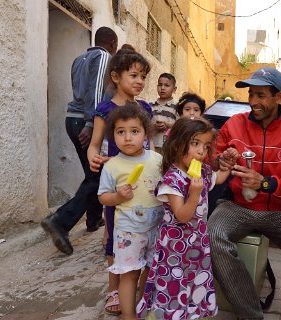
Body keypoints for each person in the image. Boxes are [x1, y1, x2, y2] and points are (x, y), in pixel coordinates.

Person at [207, 67, 281, 319]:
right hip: (237, 206)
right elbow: (210, 161)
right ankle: (250, 313)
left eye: (260, 95)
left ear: (278, 97)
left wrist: (265, 183)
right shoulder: (234, 124)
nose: (253, 101)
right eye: (251, 94)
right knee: (213, 235)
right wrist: (220, 161)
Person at [137, 117, 239, 319]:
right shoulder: (172, 180)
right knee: (174, 284)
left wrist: (226, 166)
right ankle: (168, 314)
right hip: (175, 246)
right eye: (195, 144)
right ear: (177, 145)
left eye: (206, 145)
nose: (201, 151)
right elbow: (182, 215)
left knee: (193, 280)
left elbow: (217, 179)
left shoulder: (201, 170)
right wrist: (194, 194)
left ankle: (191, 312)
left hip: (196, 243)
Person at [87, 44, 154, 315]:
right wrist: (94, 157)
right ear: (116, 77)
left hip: (143, 185)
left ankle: (140, 290)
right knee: (115, 235)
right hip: (117, 182)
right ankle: (114, 288)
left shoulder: (146, 108)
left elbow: (150, 147)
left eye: (142, 77)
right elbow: (94, 144)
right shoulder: (104, 109)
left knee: (144, 235)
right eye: (133, 75)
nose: (139, 82)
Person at [41, 26, 118, 255]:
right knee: (96, 175)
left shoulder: (79, 58)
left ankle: (93, 219)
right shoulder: (104, 56)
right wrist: (91, 123)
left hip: (71, 119)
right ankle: (60, 221)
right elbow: (95, 93)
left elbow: (78, 90)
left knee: (92, 173)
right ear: (112, 44)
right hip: (87, 122)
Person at [98, 103, 163, 320]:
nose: (127, 138)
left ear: (145, 134)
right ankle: (128, 316)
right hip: (129, 232)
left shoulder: (157, 160)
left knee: (150, 270)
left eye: (134, 131)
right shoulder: (112, 166)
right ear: (113, 137)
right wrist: (117, 197)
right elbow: (103, 196)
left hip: (156, 228)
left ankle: (140, 305)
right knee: (129, 274)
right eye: (120, 132)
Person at [150, 73, 178, 153]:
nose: (162, 88)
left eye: (166, 85)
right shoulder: (150, 105)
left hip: (168, 147)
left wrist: (167, 125)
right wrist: (154, 126)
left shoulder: (177, 106)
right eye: (160, 85)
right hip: (152, 146)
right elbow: (145, 125)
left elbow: (180, 125)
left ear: (174, 89)